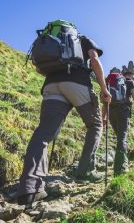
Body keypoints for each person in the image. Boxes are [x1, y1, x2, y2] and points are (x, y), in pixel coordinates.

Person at [17, 31, 111, 208]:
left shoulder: (51, 42)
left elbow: (38, 67)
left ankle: (30, 188)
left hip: (51, 84)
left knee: (43, 133)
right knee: (96, 125)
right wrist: (104, 88)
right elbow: (94, 59)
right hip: (78, 82)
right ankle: (85, 171)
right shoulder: (82, 39)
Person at [103, 67, 134, 176]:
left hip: (111, 111)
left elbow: (104, 102)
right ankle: (120, 168)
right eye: (133, 77)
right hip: (123, 111)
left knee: (119, 137)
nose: (133, 79)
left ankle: (121, 161)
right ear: (131, 76)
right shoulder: (130, 82)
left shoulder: (112, 82)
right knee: (122, 137)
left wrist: (103, 118)